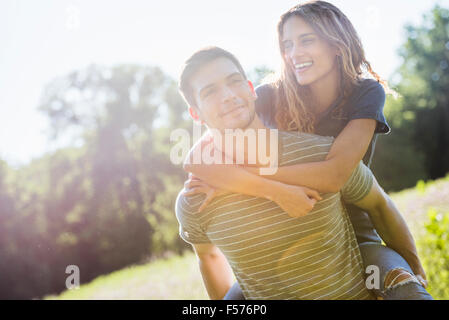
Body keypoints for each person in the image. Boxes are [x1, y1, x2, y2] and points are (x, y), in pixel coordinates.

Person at [182, 1, 433, 300]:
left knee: (405, 284)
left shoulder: (365, 93)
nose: (294, 53)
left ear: (336, 44)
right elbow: (196, 159)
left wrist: (237, 182)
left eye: (306, 40)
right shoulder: (271, 94)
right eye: (287, 44)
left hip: (354, 229)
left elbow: (335, 175)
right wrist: (252, 186)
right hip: (287, 228)